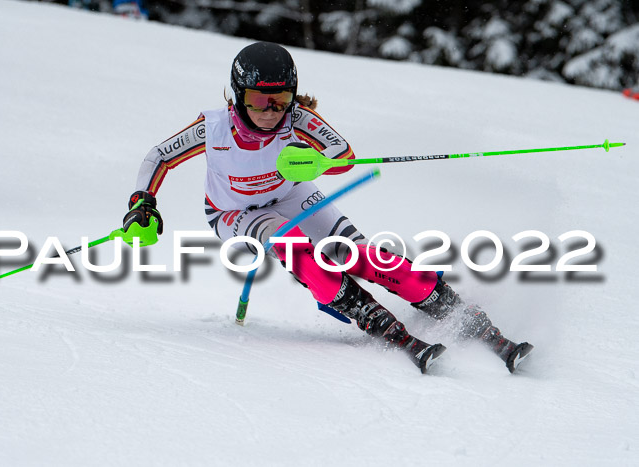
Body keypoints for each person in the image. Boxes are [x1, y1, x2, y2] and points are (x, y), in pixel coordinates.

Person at [122, 41, 533, 374]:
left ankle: (456, 311)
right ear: (237, 96)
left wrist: (318, 160)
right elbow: (158, 157)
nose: (269, 112)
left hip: (292, 193)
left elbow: (343, 152)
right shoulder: (213, 128)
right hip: (236, 212)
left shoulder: (297, 119)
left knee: (360, 255)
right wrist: (142, 204)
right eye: (258, 100)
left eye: (280, 99)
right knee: (294, 245)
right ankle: (373, 317)